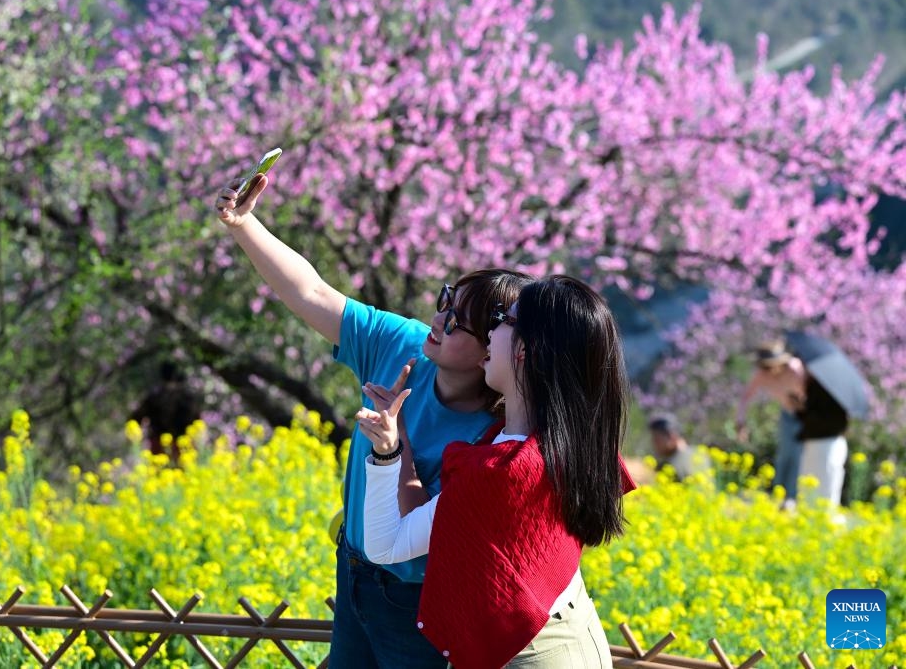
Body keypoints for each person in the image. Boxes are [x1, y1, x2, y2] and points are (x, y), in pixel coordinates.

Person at [215, 173, 534, 668]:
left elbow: (417, 521)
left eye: (455, 321)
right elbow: (313, 294)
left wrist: (395, 444)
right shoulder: (401, 344)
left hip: (420, 602)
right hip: (354, 569)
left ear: (491, 347)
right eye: (445, 301)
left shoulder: (497, 430)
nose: (438, 319)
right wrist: (244, 224)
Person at [357, 275, 636, 669]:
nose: (491, 332)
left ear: (527, 349)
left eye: (504, 319)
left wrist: (387, 453)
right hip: (576, 640)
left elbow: (387, 545)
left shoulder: (502, 471)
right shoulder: (571, 446)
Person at [736, 340, 806, 506]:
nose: (769, 370)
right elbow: (745, 398)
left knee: (797, 456)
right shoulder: (761, 375)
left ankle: (791, 498)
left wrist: (801, 402)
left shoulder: (795, 368)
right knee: (784, 455)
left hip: (805, 415)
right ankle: (778, 494)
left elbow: (811, 391)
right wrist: (740, 422)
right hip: (788, 415)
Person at [131, 361, 202, 463]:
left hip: (158, 445)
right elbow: (197, 418)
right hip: (183, 445)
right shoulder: (187, 396)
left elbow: (136, 417)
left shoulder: (154, 396)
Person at [647, 413, 703, 481]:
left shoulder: (671, 465)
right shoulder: (700, 454)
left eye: (656, 439)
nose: (654, 444)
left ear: (671, 436)